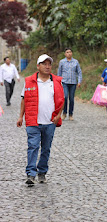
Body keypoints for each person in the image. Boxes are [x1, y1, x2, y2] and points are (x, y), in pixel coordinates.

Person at [17, 54, 65, 185]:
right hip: (33, 121)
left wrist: (58, 115)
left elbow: (62, 100)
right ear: (38, 66)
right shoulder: (29, 81)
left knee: (46, 148)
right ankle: (31, 174)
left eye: (49, 64)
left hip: (50, 122)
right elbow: (24, 100)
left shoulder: (56, 82)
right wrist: (21, 116)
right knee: (32, 147)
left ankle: (42, 172)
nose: (47, 66)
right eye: (44, 64)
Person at [57, 48, 82, 121]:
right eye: (67, 52)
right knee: (65, 97)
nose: (69, 53)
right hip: (64, 82)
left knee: (71, 99)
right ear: (65, 54)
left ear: (72, 53)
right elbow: (59, 72)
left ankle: (71, 114)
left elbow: (79, 72)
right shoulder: (62, 62)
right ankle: (64, 113)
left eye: (70, 52)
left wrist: (79, 81)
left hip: (73, 82)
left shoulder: (75, 62)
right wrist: (58, 82)